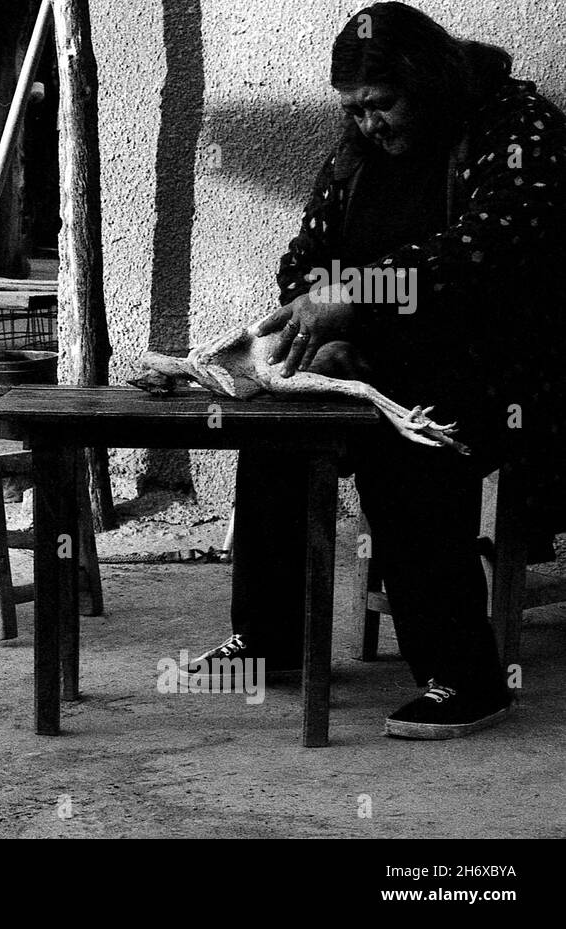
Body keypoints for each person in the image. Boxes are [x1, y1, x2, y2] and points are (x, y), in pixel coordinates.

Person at [187, 2, 566, 739]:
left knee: (408, 442)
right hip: (381, 361)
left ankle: (466, 678)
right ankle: (272, 637)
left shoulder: (516, 125)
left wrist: (356, 297)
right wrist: (322, 329)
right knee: (277, 427)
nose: (368, 124)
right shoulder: (357, 151)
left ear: (426, 82)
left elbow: (490, 249)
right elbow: (304, 259)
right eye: (354, 110)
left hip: (510, 367)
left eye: (380, 105)